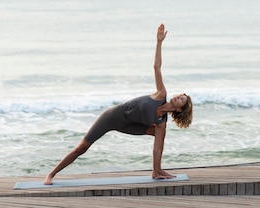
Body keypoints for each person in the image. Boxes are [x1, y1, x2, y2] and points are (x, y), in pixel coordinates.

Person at [44, 24, 193, 185]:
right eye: (180, 95)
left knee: (160, 136)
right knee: (82, 148)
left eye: (182, 99)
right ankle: (51, 174)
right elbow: (156, 67)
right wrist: (159, 43)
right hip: (113, 117)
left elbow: (157, 149)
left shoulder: (161, 123)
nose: (178, 96)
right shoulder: (160, 94)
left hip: (129, 125)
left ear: (179, 109)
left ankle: (156, 171)